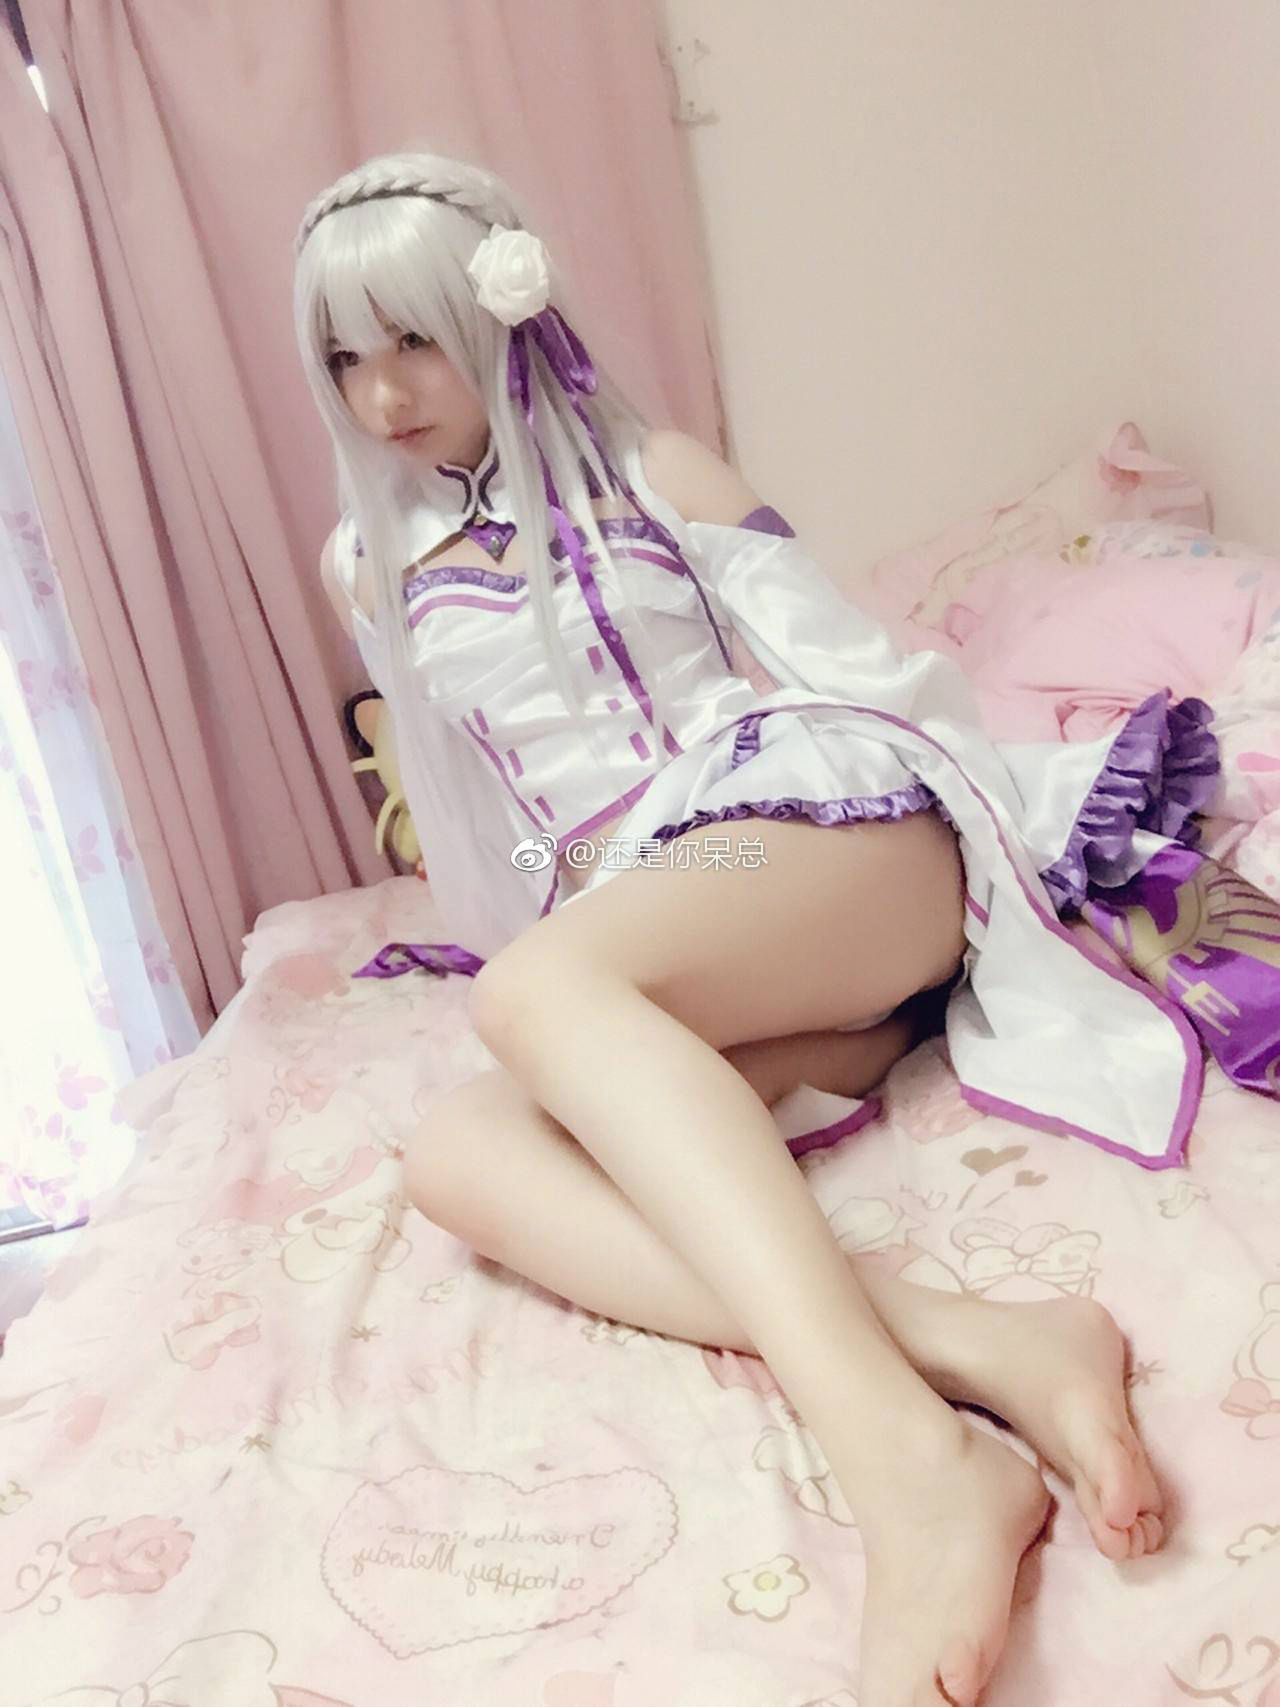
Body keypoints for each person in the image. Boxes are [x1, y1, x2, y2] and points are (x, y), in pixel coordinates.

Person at [293, 148, 1213, 1706]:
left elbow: (859, 674)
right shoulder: (368, 566)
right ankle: (992, 1345)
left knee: (536, 999)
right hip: (676, 934)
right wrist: (561, 945)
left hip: (826, 829)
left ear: (500, 319)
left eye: (416, 341)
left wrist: (1010, 855)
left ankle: (910, 1463)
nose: (382, 395)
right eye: (343, 358)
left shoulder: (660, 474)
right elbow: (475, 795)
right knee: (459, 1151)